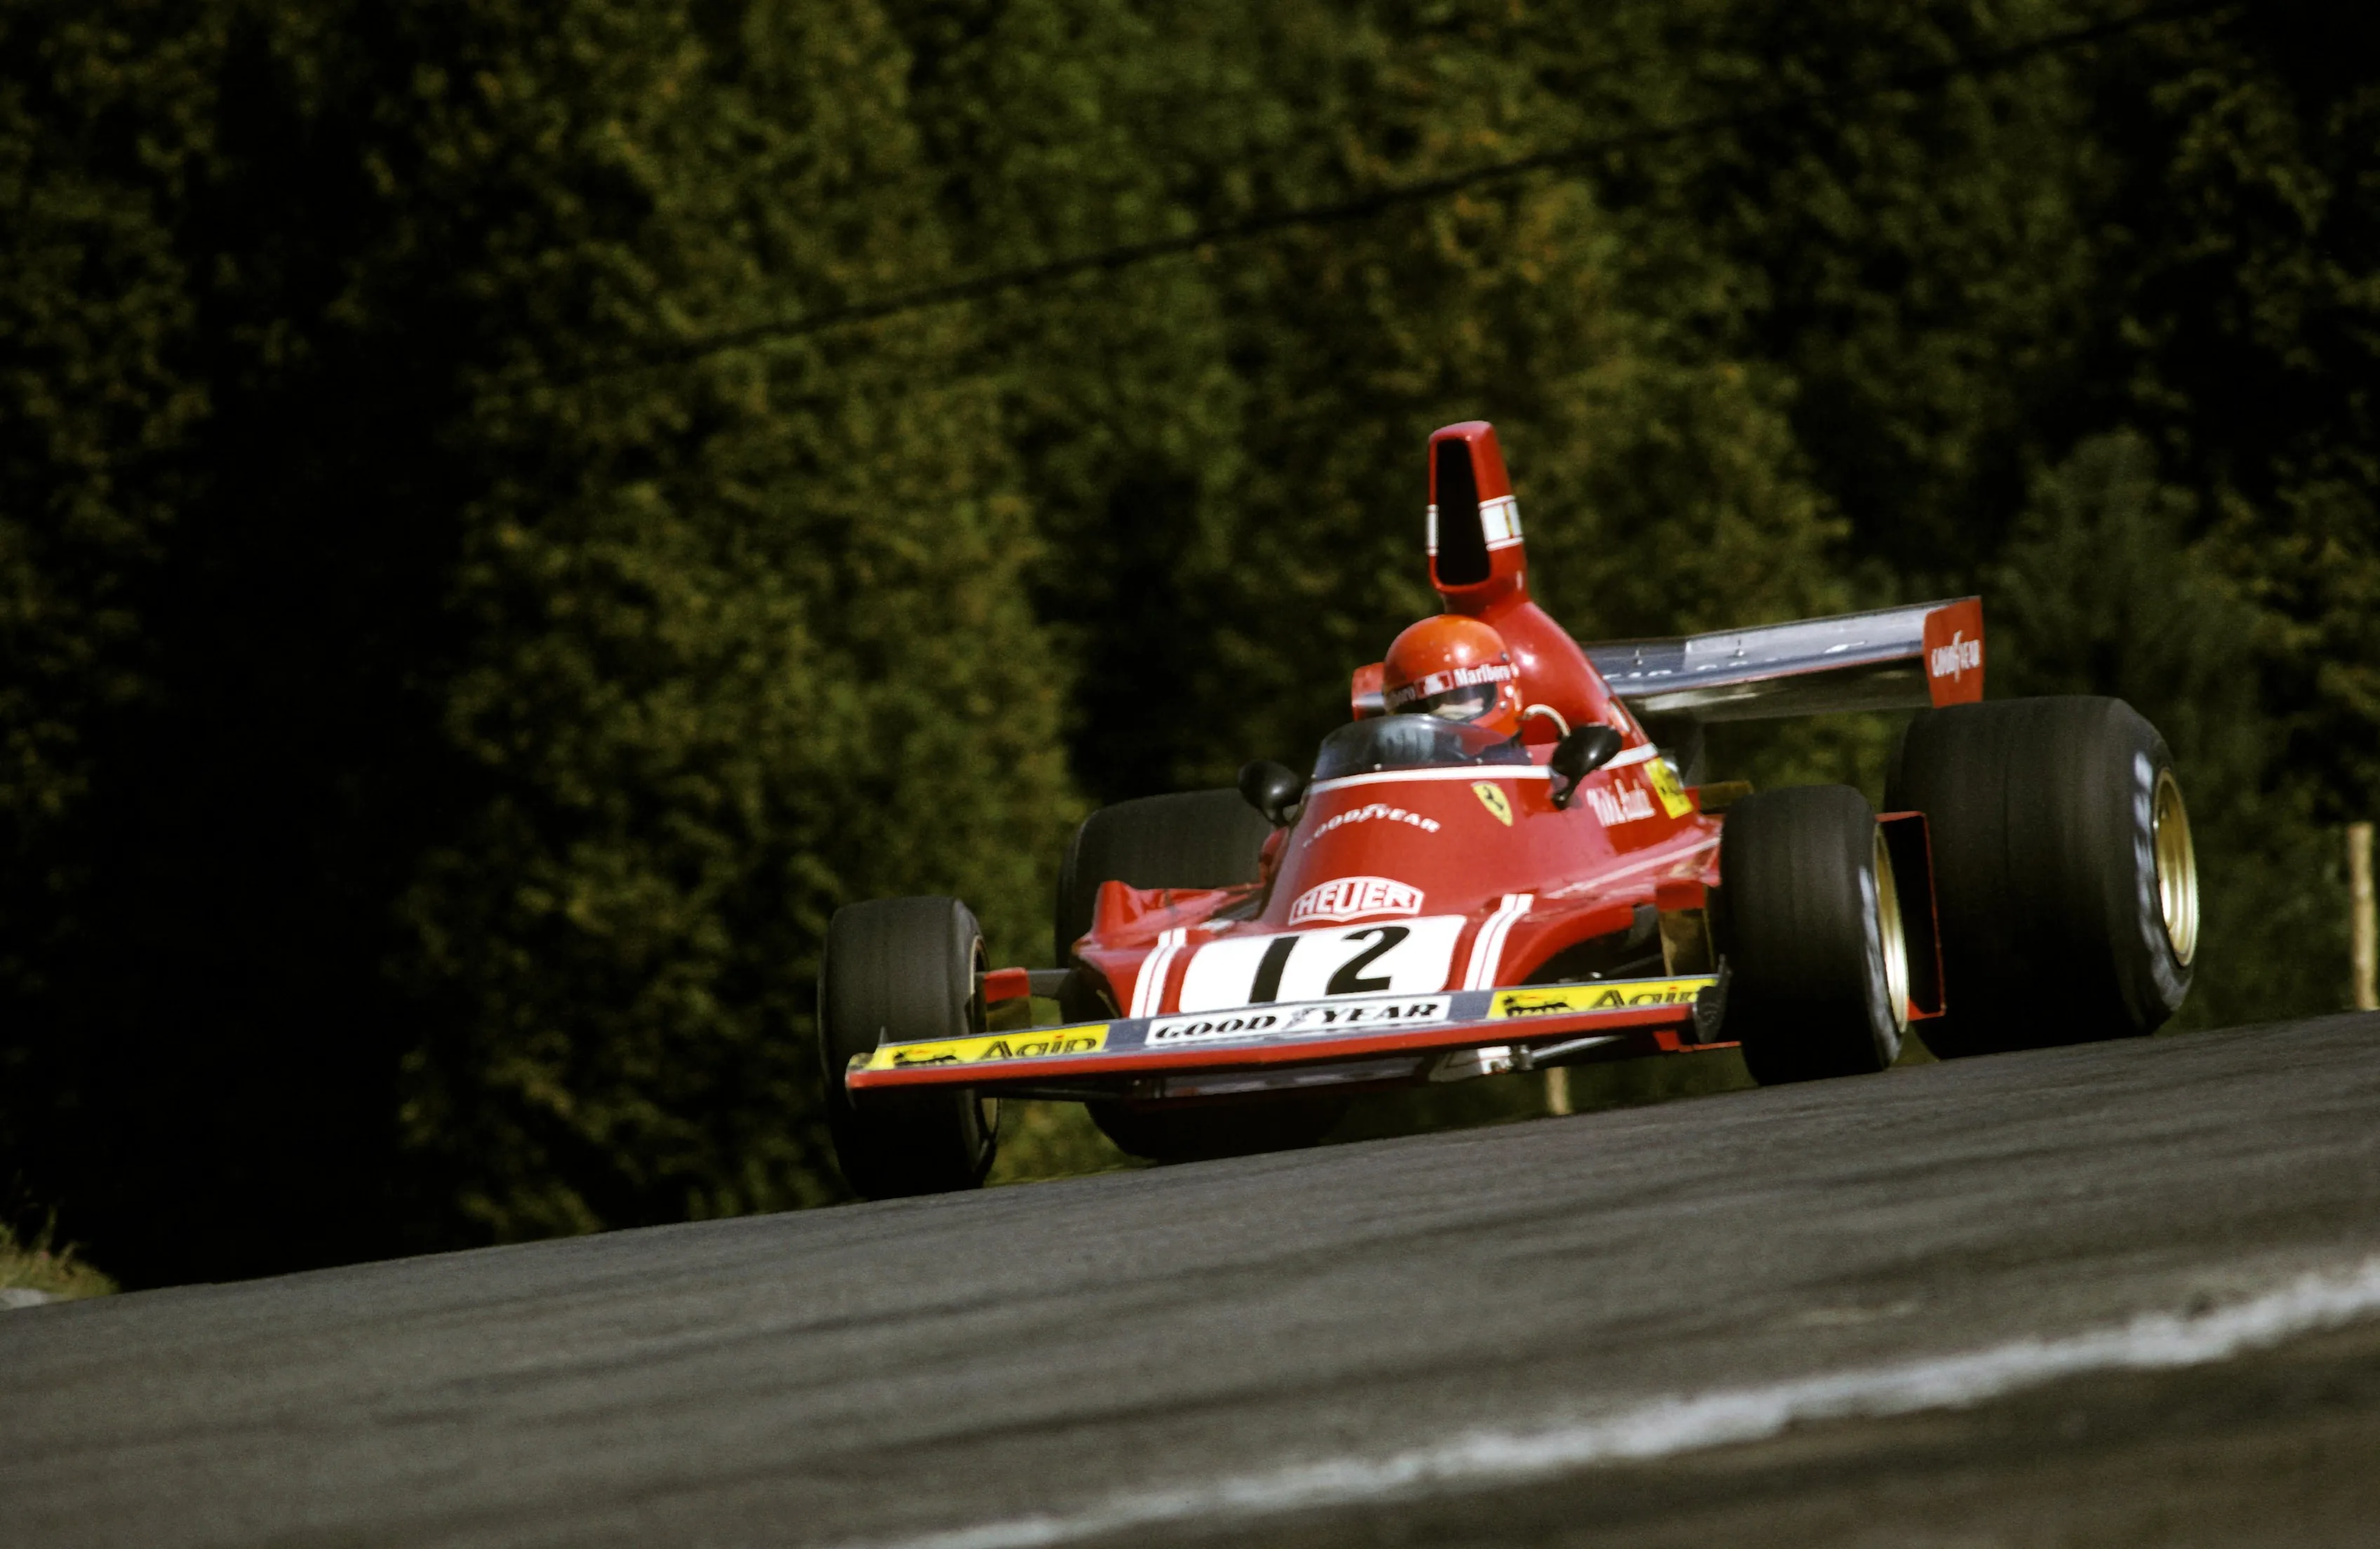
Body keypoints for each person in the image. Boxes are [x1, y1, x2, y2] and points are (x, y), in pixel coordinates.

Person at [1380, 615, 1523, 737]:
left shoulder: (1539, 766)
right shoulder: (1394, 767)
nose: (1442, 710)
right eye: (1423, 705)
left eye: (1458, 695)